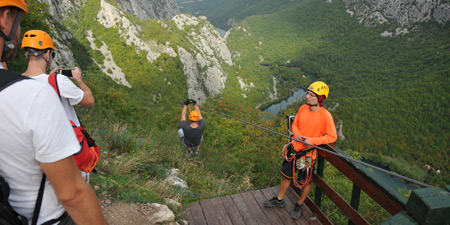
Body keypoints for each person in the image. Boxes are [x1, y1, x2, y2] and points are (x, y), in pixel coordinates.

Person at [0, 1, 107, 224]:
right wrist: (78, 81)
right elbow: (73, 195)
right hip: (46, 216)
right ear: (6, 18)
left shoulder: (15, 85)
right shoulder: (36, 93)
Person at [21, 30, 95, 181]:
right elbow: (89, 100)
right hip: (66, 152)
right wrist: (79, 80)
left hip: (34, 155)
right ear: (47, 55)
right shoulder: (58, 82)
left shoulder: (17, 82)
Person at [263, 81, 337, 219]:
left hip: (306, 155)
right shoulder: (303, 108)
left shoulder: (325, 116)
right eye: (308, 94)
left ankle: (299, 203)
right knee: (286, 175)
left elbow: (332, 136)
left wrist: (311, 140)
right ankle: (279, 200)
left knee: (305, 181)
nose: (307, 97)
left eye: (311, 95)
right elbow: (295, 123)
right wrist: (296, 134)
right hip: (294, 149)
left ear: (320, 98)